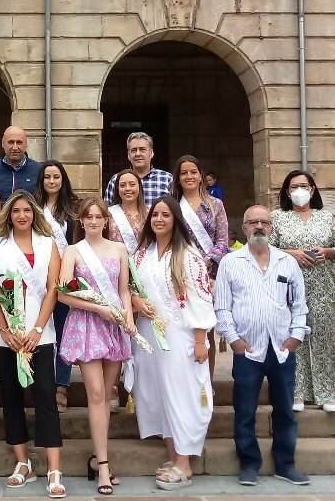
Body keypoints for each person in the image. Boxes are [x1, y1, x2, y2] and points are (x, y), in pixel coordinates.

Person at [215, 205, 310, 487]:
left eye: (264, 222)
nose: (259, 227)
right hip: (248, 350)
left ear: (272, 228)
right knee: (245, 410)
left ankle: (285, 464)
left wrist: (295, 337)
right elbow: (222, 307)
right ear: (244, 228)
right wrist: (234, 341)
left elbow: (299, 305)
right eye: (252, 222)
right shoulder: (231, 263)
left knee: (284, 410)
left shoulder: (287, 263)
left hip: (282, 348)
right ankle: (249, 463)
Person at [130, 195, 216, 491]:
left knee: (183, 395)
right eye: (155, 215)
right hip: (149, 336)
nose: (159, 220)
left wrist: (201, 339)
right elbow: (129, 287)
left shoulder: (188, 255)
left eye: (165, 215)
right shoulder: (142, 253)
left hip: (181, 336)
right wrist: (135, 300)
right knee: (158, 395)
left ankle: (185, 463)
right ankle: (172, 456)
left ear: (175, 219)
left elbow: (201, 298)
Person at [0, 190, 66, 499]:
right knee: (12, 397)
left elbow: (52, 290)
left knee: (45, 395)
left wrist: (36, 328)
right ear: (9, 214)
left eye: (27, 210)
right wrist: (5, 330)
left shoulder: (49, 245)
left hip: (39, 334)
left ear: (34, 214)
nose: (21, 215)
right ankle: (23, 463)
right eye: (16, 210)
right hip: (5, 337)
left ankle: (54, 468)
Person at [57, 197, 134, 495]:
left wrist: (126, 315)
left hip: (114, 325)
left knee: (108, 395)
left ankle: (97, 458)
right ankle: (103, 465)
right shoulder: (73, 251)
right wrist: (98, 309)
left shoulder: (119, 249)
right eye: (87, 216)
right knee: (97, 393)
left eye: (97, 216)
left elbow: (123, 290)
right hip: (88, 324)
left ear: (105, 220)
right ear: (81, 221)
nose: (92, 221)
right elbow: (63, 294)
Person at [270, 170, 335, 413]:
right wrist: (294, 254)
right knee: (293, 339)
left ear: (312, 189)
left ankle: (326, 392)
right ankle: (297, 392)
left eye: (303, 185)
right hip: (288, 288)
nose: (299, 191)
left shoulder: (326, 217)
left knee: (323, 340)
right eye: (293, 187)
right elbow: (267, 249)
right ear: (287, 192)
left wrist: (327, 252)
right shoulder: (277, 218)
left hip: (322, 286)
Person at [170, 155, 231, 376]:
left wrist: (205, 262)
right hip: (177, 273)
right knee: (180, 330)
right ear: (178, 178)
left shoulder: (215, 205)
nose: (189, 176)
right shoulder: (172, 205)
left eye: (193, 172)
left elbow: (223, 240)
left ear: (201, 176)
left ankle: (207, 385)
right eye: (183, 172)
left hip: (209, 276)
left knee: (205, 330)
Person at [35, 160, 79, 412]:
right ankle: (42, 383)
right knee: (40, 330)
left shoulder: (72, 208)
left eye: (56, 177)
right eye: (47, 177)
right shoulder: (32, 207)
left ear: (63, 180)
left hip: (65, 278)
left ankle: (61, 384)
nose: (51, 181)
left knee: (64, 330)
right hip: (38, 278)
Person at [103, 132, 172, 208]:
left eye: (142, 150)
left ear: (151, 153)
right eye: (134, 150)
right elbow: (107, 212)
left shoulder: (167, 178)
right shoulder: (116, 180)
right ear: (128, 155)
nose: (138, 154)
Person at [0, 126, 42, 204]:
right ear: (3, 144)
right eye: (11, 142)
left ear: (26, 145)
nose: (15, 147)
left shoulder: (39, 171)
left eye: (19, 142)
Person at [107, 169, 147, 257]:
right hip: (116, 264)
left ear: (139, 187)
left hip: (145, 266)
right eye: (122, 185)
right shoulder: (108, 214)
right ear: (117, 189)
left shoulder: (150, 213)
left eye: (132, 184)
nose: (127, 188)